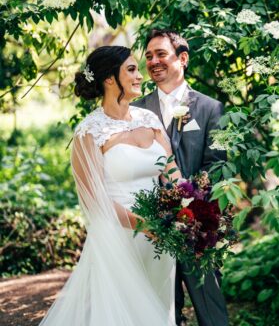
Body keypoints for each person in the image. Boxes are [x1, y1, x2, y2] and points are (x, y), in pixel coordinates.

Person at [40, 46, 179, 325]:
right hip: (117, 238)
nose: (140, 76)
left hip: (161, 237)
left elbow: (172, 173)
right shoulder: (89, 132)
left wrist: (190, 210)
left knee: (159, 308)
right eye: (131, 70)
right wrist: (142, 224)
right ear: (109, 79)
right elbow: (94, 199)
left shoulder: (150, 120)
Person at [132, 29, 229, 326]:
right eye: (148, 56)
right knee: (159, 309)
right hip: (152, 227)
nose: (153, 61)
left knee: (209, 306)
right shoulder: (135, 111)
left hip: (196, 225)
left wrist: (195, 209)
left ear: (182, 58)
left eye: (161, 54)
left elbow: (217, 165)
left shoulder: (213, 108)